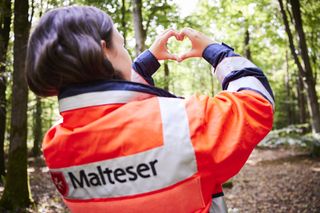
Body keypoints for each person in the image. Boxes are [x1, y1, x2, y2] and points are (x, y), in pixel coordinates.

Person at [26, 5, 274, 213]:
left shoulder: (56, 148)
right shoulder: (183, 123)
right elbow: (257, 103)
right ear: (104, 51)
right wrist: (216, 52)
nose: (125, 52)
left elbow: (107, 109)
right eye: (121, 45)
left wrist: (144, 66)